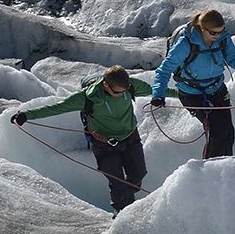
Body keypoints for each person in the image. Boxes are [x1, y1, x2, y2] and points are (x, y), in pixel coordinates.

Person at [13, 65, 146, 211]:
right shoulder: (86, 98)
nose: (121, 94)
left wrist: (175, 93)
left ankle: (128, 202)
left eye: (124, 91)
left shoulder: (131, 86)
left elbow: (159, 90)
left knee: (138, 175)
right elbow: (56, 107)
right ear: (105, 84)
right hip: (104, 145)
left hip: (130, 138)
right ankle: (122, 212)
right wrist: (26, 115)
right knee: (118, 183)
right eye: (116, 92)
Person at [152, 9, 235, 159]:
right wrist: (158, 94)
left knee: (228, 131)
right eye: (213, 33)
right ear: (202, 28)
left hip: (217, 89)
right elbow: (164, 70)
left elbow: (233, 59)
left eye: (220, 31)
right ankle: (211, 169)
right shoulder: (185, 44)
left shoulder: (222, 38)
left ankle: (227, 167)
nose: (217, 36)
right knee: (217, 129)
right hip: (192, 94)